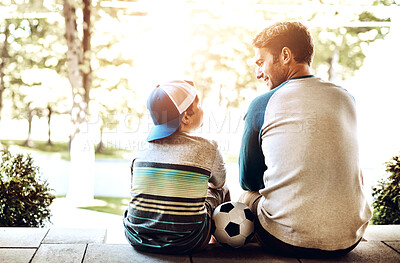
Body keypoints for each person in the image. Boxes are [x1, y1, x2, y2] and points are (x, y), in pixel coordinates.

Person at [238, 21, 372, 258]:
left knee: (244, 198)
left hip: (286, 240)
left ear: (285, 55)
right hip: (350, 238)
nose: (258, 73)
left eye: (261, 62)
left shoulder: (262, 104)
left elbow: (249, 180)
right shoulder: (346, 98)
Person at [123, 80, 230, 254]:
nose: (202, 109)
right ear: (186, 117)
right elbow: (218, 184)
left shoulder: (140, 149)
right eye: (199, 104)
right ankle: (217, 240)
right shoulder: (209, 148)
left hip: (136, 237)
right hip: (189, 241)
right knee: (222, 189)